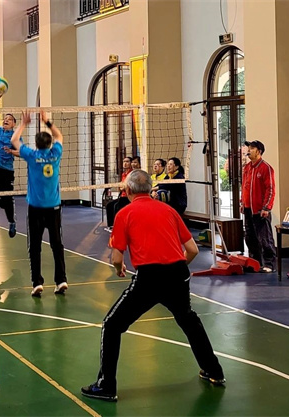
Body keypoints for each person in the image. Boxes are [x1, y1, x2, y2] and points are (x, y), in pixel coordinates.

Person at [81, 170, 225, 402]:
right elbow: (192, 250)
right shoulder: (169, 210)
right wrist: (176, 269)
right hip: (178, 274)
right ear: (150, 189)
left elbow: (117, 258)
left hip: (149, 278)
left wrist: (119, 269)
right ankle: (214, 371)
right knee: (189, 321)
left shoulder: (124, 213)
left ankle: (106, 385)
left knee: (112, 325)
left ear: (128, 190)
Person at [11, 110, 67, 297]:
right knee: (57, 244)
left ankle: (37, 283)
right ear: (50, 144)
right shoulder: (56, 153)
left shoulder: (32, 155)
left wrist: (23, 123)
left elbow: (14, 140)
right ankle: (61, 280)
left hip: (35, 208)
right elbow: (60, 136)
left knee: (34, 246)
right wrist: (47, 121)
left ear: (36, 144)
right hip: (54, 207)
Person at [0, 93, 21, 238]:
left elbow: (22, 152)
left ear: (14, 124)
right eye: (5, 118)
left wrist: (11, 151)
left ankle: (11, 222)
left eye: (10, 119)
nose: (6, 120)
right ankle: (5, 204)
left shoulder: (15, 137)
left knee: (7, 198)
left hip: (7, 171)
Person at [241, 140, 276, 273]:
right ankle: (255, 262)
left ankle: (270, 264)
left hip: (260, 210)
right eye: (248, 147)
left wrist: (267, 207)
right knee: (250, 237)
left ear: (259, 151)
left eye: (252, 148)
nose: (249, 150)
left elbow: (270, 189)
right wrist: (242, 203)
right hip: (248, 208)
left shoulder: (266, 168)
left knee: (265, 238)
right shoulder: (247, 167)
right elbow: (244, 186)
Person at [105, 157, 133, 232]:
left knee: (116, 206)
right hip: (122, 196)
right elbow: (120, 187)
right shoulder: (123, 174)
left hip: (128, 197)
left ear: (131, 163)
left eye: (127, 161)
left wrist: (123, 187)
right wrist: (122, 187)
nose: (125, 163)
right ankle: (111, 225)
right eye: (124, 161)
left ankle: (117, 227)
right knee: (109, 205)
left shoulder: (132, 174)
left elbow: (126, 186)